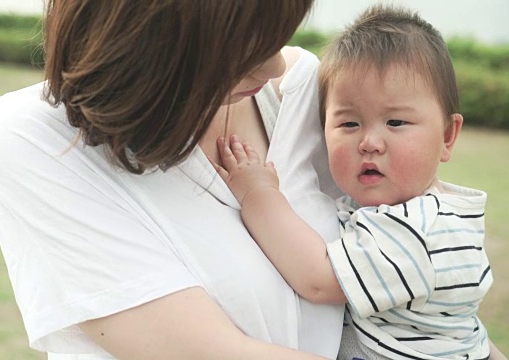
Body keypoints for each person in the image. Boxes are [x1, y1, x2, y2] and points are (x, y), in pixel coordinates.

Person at [0, 1, 347, 359]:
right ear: (151, 40)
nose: (273, 68)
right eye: (244, 47)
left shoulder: (306, 95)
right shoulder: (35, 138)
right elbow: (213, 353)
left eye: (275, 35)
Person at [212, 4, 509, 360]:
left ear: (447, 136)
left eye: (396, 123)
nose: (369, 142)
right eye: (349, 124)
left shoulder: (418, 230)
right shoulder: (400, 210)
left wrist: (258, 194)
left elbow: (318, 277)